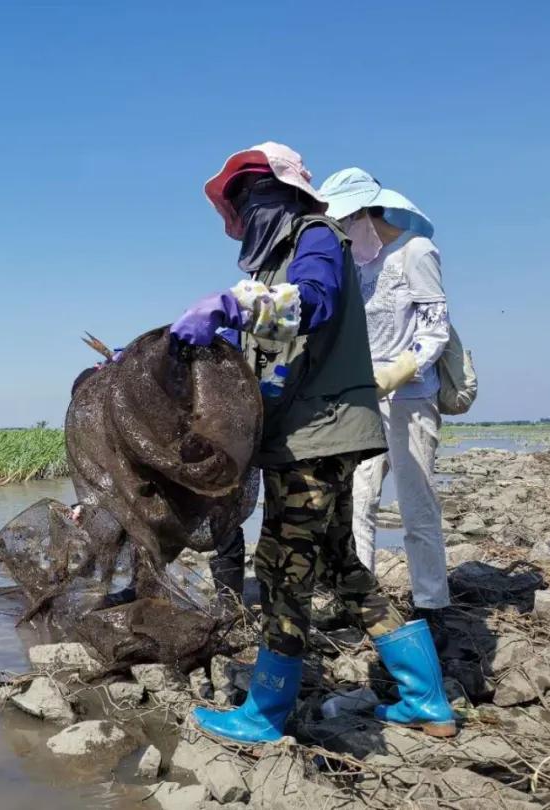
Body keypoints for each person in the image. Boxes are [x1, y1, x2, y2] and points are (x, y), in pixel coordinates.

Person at [169, 142, 454, 743]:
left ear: (283, 193)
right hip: (308, 435)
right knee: (345, 568)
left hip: (317, 437)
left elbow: (314, 304)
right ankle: (424, 698)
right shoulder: (273, 264)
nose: (245, 211)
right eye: (239, 202)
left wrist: (231, 304)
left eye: (252, 196)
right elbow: (259, 353)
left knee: (279, 568)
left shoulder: (317, 235)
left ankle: (265, 712)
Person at [318, 168, 451, 626]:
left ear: (366, 214)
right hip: (364, 398)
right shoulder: (356, 264)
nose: (340, 230)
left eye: (345, 221)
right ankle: (361, 602)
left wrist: (396, 373)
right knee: (358, 501)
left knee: (417, 504)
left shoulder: (415, 252)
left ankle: (431, 607)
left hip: (412, 396)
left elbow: (435, 331)